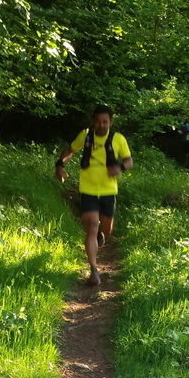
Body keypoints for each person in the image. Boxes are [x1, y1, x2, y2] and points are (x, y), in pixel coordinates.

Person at [55, 105, 133, 286]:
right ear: (93, 121)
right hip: (88, 189)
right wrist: (60, 165)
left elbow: (129, 160)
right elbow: (70, 150)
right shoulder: (86, 136)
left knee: (106, 230)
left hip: (108, 191)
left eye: (105, 121)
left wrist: (119, 168)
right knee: (90, 225)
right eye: (98, 121)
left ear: (111, 122)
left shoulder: (118, 139)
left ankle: (100, 233)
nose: (101, 125)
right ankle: (94, 270)